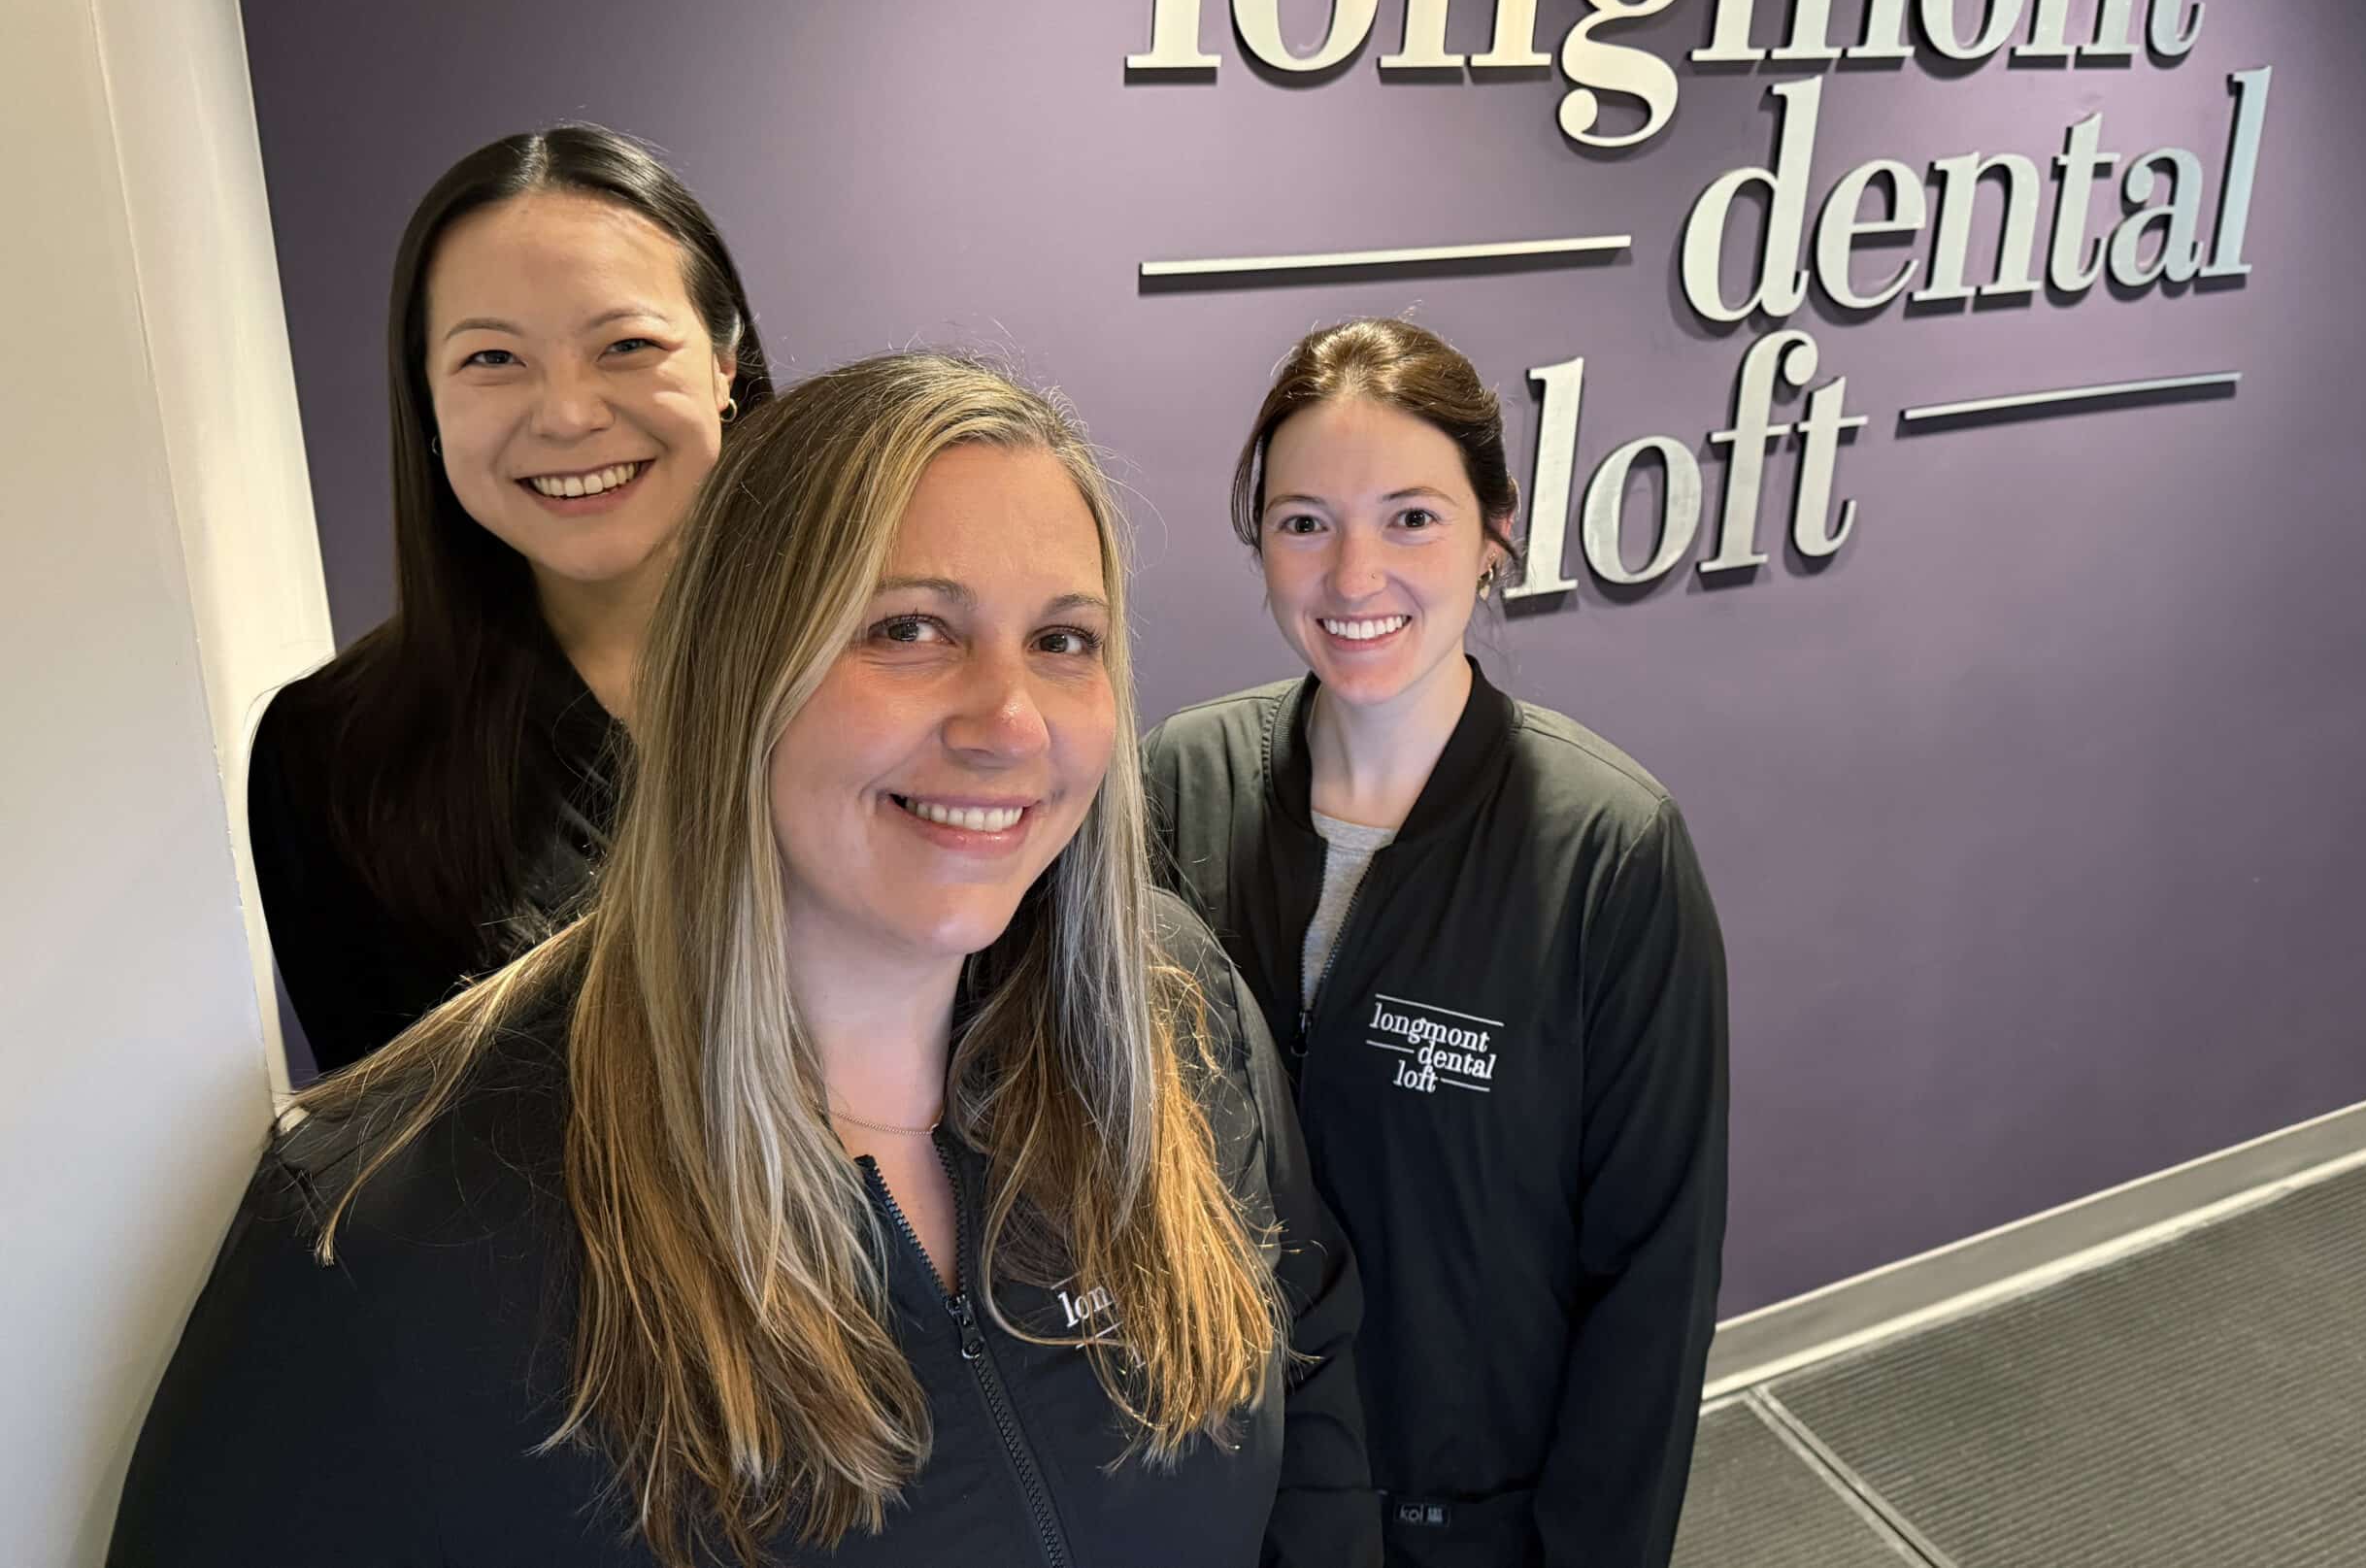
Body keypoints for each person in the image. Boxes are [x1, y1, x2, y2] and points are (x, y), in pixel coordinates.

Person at [114, 354, 1381, 1568]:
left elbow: (1308, 1371)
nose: (1009, 720)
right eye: (909, 628)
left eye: (1063, 640)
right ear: (737, 673)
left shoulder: (1174, 1010)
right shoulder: (385, 1220)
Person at [1145, 317, 1730, 1567]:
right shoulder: (1178, 783)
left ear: (1494, 529)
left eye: (1411, 516)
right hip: (1220, 1496)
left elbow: (1652, 1283)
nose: (1354, 575)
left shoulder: (1608, 850)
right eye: (1304, 520)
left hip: (1464, 1529)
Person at [248, 125, 774, 1071]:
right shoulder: (336, 754)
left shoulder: (886, 653)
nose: (569, 412)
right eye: (492, 358)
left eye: (626, 343)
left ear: (722, 364)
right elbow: (392, 1149)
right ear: (429, 404)